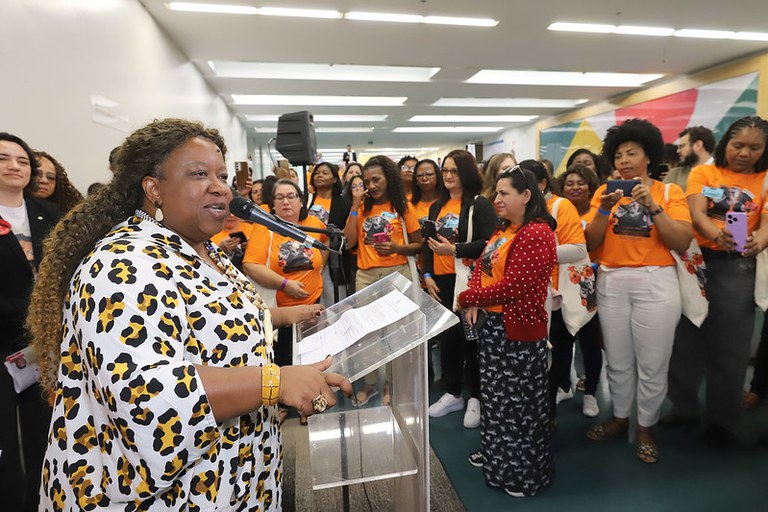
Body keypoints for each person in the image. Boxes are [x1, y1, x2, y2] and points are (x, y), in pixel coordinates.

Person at [27, 119, 352, 510]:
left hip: (235, 476)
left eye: (222, 176)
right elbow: (144, 394)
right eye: (199, 174)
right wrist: (273, 382)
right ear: (154, 189)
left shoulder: (204, 250)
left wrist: (300, 377)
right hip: (162, 496)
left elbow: (222, 337)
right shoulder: (122, 263)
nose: (220, 187)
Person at [584, 118, 692, 464]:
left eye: (631, 153)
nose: (624, 161)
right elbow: (590, 243)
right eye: (618, 155)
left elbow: (681, 240)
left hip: (656, 282)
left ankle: (646, 425)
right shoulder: (604, 192)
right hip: (612, 281)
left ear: (649, 156)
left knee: (652, 362)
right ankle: (619, 417)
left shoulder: (669, 193)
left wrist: (653, 207)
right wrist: (604, 208)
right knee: (617, 360)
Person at [664, 116, 768, 448]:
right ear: (725, 144)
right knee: (684, 340)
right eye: (738, 145)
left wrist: (757, 242)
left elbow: (766, 223)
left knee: (730, 348)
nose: (745, 153)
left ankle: (722, 422)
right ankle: (684, 407)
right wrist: (716, 234)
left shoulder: (765, 179)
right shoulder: (705, 173)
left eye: (755, 147)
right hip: (696, 262)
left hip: (737, 268)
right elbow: (696, 214)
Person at [459, 166, 557, 497]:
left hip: (518, 334)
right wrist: (475, 294)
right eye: (496, 192)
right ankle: (499, 464)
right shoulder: (504, 229)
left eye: (504, 193)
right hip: (494, 330)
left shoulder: (536, 233)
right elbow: (481, 266)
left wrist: (468, 298)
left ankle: (523, 477)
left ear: (526, 195)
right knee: (498, 406)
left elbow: (514, 287)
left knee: (520, 410)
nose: (497, 199)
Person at [0, 132, 61, 511]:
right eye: (3, 159)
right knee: (8, 441)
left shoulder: (48, 214)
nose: (14, 166)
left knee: (46, 431)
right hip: (3, 341)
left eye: (22, 160)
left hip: (45, 345)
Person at [423, 150, 496, 429]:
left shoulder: (480, 204)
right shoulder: (437, 206)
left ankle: (476, 396)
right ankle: (453, 393)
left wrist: (454, 250)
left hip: (467, 281)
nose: (448, 176)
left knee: (472, 341)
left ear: (466, 172)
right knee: (449, 340)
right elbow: (428, 243)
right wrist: (427, 274)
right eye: (445, 171)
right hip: (441, 282)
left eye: (454, 170)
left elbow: (488, 243)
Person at [343, 155, 422, 403]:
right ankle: (370, 384)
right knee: (367, 333)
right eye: (367, 181)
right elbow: (349, 242)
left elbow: (418, 244)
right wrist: (354, 205)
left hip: (397, 274)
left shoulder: (402, 207)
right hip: (366, 276)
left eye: (376, 180)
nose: (371, 185)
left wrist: (397, 247)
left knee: (395, 332)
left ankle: (390, 383)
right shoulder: (362, 207)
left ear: (389, 178)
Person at [522, 160, 597, 417]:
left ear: (542, 184)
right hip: (536, 293)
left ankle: (578, 395)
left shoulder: (560, 206)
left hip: (562, 292)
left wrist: (534, 253)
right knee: (544, 353)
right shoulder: (522, 210)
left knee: (565, 348)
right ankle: (552, 395)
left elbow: (577, 248)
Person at [243, 179, 329, 368]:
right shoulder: (264, 228)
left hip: (313, 306)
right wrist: (285, 284)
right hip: (282, 317)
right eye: (280, 197)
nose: (286, 202)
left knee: (315, 361)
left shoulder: (313, 223)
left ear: (301, 201)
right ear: (273, 204)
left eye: (291, 196)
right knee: (287, 366)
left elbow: (325, 242)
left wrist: (320, 266)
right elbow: (250, 265)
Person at [557, 164, 603, 414]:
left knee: (590, 340)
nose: (575, 187)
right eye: (570, 183)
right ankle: (564, 386)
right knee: (563, 340)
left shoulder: (599, 212)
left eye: (581, 183)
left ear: (590, 187)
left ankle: (591, 393)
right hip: (561, 283)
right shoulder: (556, 211)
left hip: (588, 283)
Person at [307, 162, 351, 305]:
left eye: (325, 173)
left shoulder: (344, 203)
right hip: (308, 255)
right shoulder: (306, 200)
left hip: (334, 259)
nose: (319, 175)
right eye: (317, 173)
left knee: (335, 302)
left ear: (334, 179)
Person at [664, 126, 716, 192]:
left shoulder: (723, 171)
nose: (678, 151)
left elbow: (724, 195)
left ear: (698, 145)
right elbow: (661, 196)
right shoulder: (674, 174)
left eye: (682, 146)